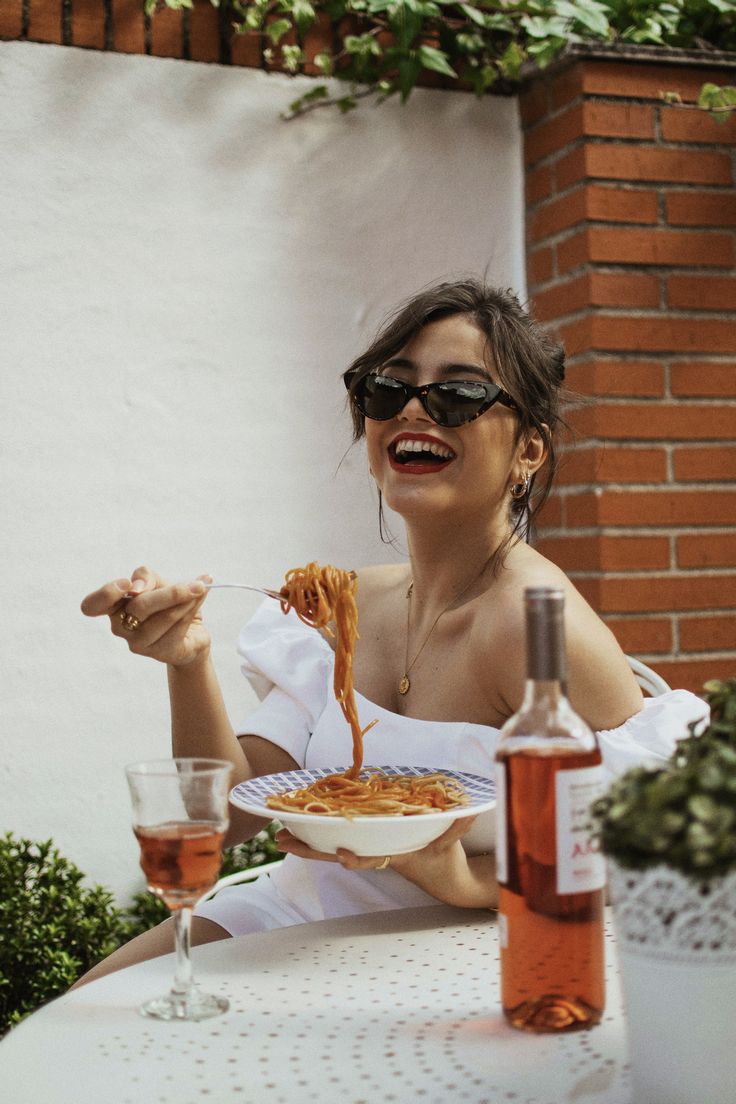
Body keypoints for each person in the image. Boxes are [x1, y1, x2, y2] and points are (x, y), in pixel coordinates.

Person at [78, 279, 704, 984]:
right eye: (387, 390)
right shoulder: (347, 601)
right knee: (91, 1009)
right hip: (300, 911)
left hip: (456, 941)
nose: (412, 410)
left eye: (458, 395)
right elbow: (230, 815)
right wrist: (188, 662)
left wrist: (462, 880)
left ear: (529, 450)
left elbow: (652, 845)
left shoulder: (532, 619)